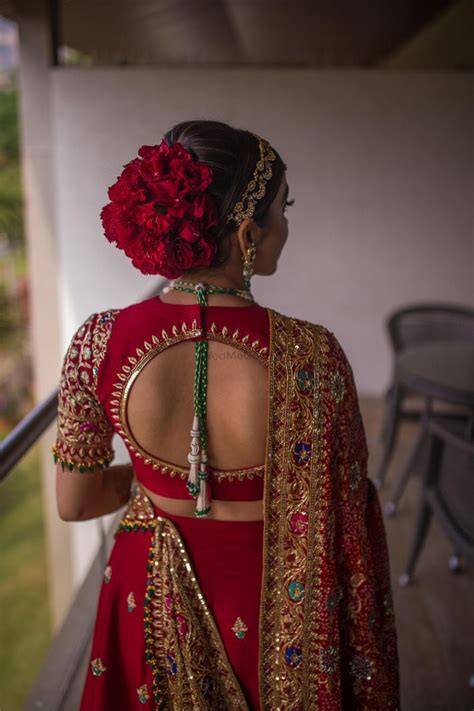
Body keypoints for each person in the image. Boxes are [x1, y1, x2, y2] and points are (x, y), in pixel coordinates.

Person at [53, 120, 400, 710]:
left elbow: (75, 502)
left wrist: (151, 479)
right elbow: (347, 518)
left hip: (150, 598)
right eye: (282, 208)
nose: (286, 227)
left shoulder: (97, 341)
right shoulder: (313, 356)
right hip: (281, 610)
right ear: (247, 231)